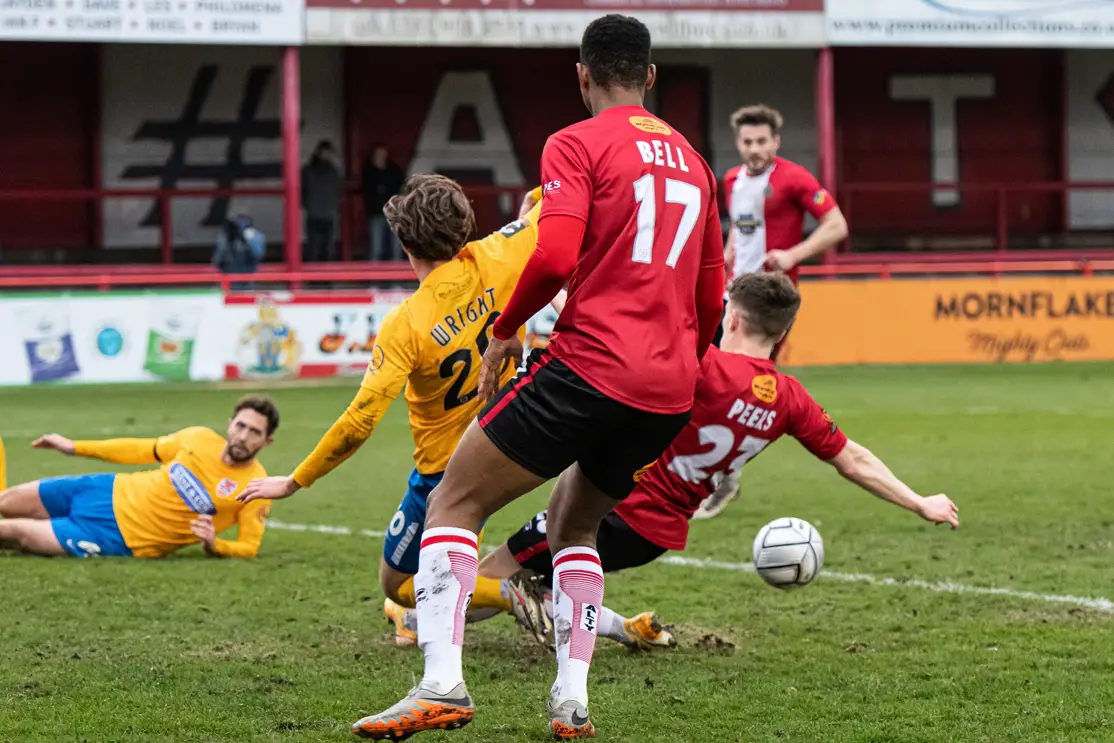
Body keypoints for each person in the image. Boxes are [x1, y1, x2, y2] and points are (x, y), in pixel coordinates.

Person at [344, 14, 725, 740]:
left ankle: (441, 684)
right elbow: (711, 297)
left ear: (582, 75)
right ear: (650, 77)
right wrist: (679, 367)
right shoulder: (697, 165)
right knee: (575, 525)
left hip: (590, 365)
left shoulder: (575, 142)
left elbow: (552, 257)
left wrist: (506, 329)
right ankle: (570, 701)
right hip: (668, 389)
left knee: (453, 501)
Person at [391, 273, 959, 649]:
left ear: (731, 318)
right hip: (656, 534)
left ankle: (416, 623)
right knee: (545, 578)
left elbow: (612, 345)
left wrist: (562, 295)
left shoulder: (703, 366)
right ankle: (627, 629)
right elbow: (852, 458)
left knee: (502, 570)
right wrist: (920, 502)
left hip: (616, 506)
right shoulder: (789, 399)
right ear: (783, 331)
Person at [236, 174, 567, 646]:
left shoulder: (406, 322)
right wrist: (535, 198)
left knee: (397, 585)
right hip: (511, 438)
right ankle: (501, 587)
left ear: (406, 246)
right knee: (449, 565)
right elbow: (553, 204)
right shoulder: (501, 251)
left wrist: (295, 480)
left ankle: (501, 591)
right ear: (466, 225)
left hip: (446, 470)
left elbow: (359, 422)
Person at [699, 104, 850, 520]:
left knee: (740, 388)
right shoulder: (731, 179)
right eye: (747, 141)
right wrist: (726, 258)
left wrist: (793, 255)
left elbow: (836, 225)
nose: (754, 148)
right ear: (738, 143)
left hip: (769, 303)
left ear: (776, 142)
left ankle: (723, 474)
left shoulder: (795, 178)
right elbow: (738, 228)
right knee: (709, 381)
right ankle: (709, 470)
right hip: (731, 297)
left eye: (762, 141)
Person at [0, 396, 279, 559]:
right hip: (106, 489)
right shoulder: (198, 438)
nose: (243, 436)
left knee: (14, 532)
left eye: (254, 432)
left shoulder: (257, 486)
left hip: (120, 536)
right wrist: (74, 447)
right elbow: (139, 449)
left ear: (267, 441)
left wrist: (215, 544)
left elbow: (249, 546)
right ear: (230, 425)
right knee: (6, 502)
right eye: (240, 426)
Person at [302, 140, 344, 262]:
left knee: (327, 247)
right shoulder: (308, 170)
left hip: (327, 213)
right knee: (314, 247)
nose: (327, 155)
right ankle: (315, 272)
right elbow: (302, 190)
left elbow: (339, 190)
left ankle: (324, 272)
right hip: (315, 213)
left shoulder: (333, 171)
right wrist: (307, 205)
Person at [362, 144, 405, 261]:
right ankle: (374, 272)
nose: (381, 156)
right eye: (378, 154)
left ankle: (396, 272)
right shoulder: (369, 171)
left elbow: (401, 187)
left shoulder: (393, 170)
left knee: (395, 247)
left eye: (383, 153)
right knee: (376, 247)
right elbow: (368, 189)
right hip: (376, 212)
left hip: (393, 213)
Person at [212, 210, 266, 289]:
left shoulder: (255, 236)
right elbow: (259, 254)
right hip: (240, 274)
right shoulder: (226, 236)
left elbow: (218, 258)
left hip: (241, 273)